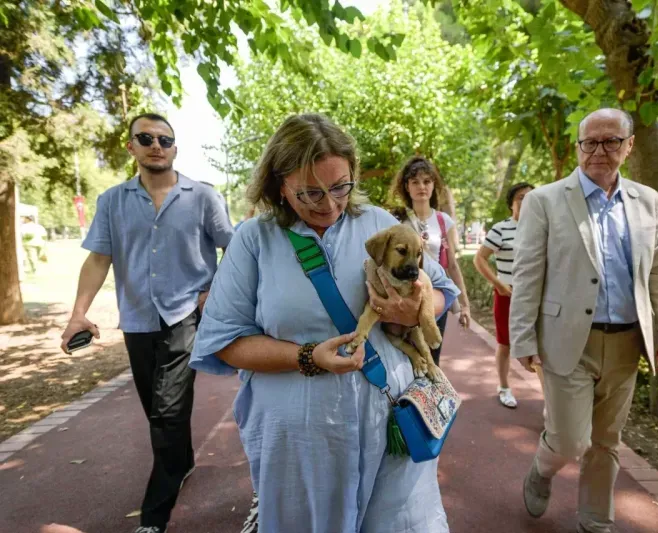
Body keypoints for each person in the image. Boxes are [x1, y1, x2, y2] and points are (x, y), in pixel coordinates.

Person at [189, 113, 458, 533]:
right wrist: (307, 356)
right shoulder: (254, 238)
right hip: (300, 439)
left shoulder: (379, 223)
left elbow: (440, 290)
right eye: (310, 193)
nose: (330, 204)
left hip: (391, 423)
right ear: (280, 184)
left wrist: (418, 307)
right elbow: (224, 341)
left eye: (340, 186)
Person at [510, 108, 658, 533]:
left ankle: (595, 521)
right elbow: (528, 272)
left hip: (627, 343)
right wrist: (523, 338)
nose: (598, 151)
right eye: (589, 142)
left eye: (611, 141)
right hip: (567, 340)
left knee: (607, 440)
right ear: (578, 147)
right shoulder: (544, 200)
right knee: (572, 439)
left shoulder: (647, 200)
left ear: (628, 146)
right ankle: (543, 466)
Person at [59, 112, 234, 533]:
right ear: (131, 146)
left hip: (185, 317)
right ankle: (183, 461)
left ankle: (154, 516)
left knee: (168, 412)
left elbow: (234, 249)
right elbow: (99, 258)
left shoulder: (203, 197)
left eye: (165, 139)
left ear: (175, 148)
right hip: (136, 320)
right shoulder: (112, 202)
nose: (157, 145)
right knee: (157, 411)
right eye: (146, 138)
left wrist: (215, 291)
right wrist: (78, 312)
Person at [390, 156, 470, 365]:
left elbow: (452, 265)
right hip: (404, 293)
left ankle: (430, 397)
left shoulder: (444, 221)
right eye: (415, 182)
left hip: (435, 296)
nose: (421, 187)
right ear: (406, 186)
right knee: (401, 354)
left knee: (431, 355)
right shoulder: (397, 219)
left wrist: (464, 305)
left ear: (434, 185)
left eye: (426, 181)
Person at [473, 182, 533, 408]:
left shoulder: (543, 227)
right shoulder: (501, 229)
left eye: (530, 197)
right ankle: (504, 387)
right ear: (511, 203)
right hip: (507, 295)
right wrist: (497, 283)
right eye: (520, 197)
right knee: (505, 344)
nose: (526, 201)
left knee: (541, 345)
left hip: (535, 298)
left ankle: (550, 398)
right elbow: (479, 259)